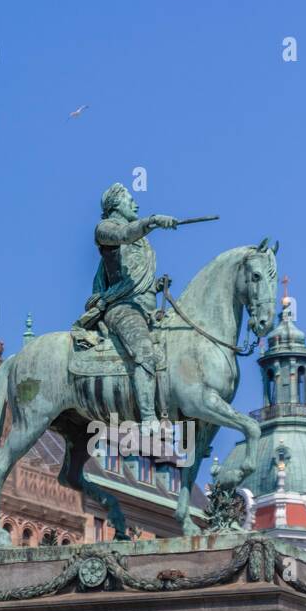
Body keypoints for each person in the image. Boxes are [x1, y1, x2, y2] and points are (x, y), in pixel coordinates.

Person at [77, 182, 180, 436]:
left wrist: (154, 287)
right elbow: (125, 236)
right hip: (121, 308)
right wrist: (153, 221)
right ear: (115, 205)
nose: (135, 204)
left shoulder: (142, 243)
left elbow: (136, 278)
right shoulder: (106, 230)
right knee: (143, 349)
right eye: (129, 200)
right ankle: (147, 418)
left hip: (145, 308)